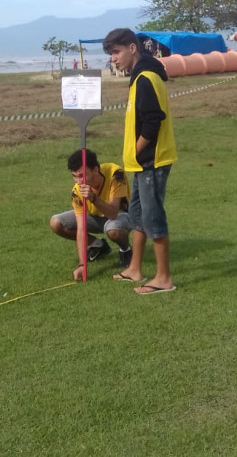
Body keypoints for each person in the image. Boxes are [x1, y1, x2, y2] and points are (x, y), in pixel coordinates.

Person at [103, 28, 177, 295]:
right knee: (137, 215)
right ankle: (135, 268)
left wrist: (136, 150)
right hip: (140, 164)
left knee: (153, 216)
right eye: (111, 54)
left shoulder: (145, 77)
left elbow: (153, 121)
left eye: (116, 51)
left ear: (132, 48)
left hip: (151, 162)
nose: (113, 59)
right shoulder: (140, 76)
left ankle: (164, 278)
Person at [50, 149, 132, 281]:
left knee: (113, 230)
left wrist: (93, 198)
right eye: (74, 176)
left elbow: (112, 213)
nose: (78, 181)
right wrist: (82, 264)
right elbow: (81, 229)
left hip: (119, 216)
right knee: (56, 223)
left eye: (82, 175)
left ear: (95, 169)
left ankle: (126, 250)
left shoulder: (116, 174)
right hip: (94, 217)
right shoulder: (77, 191)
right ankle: (99, 246)